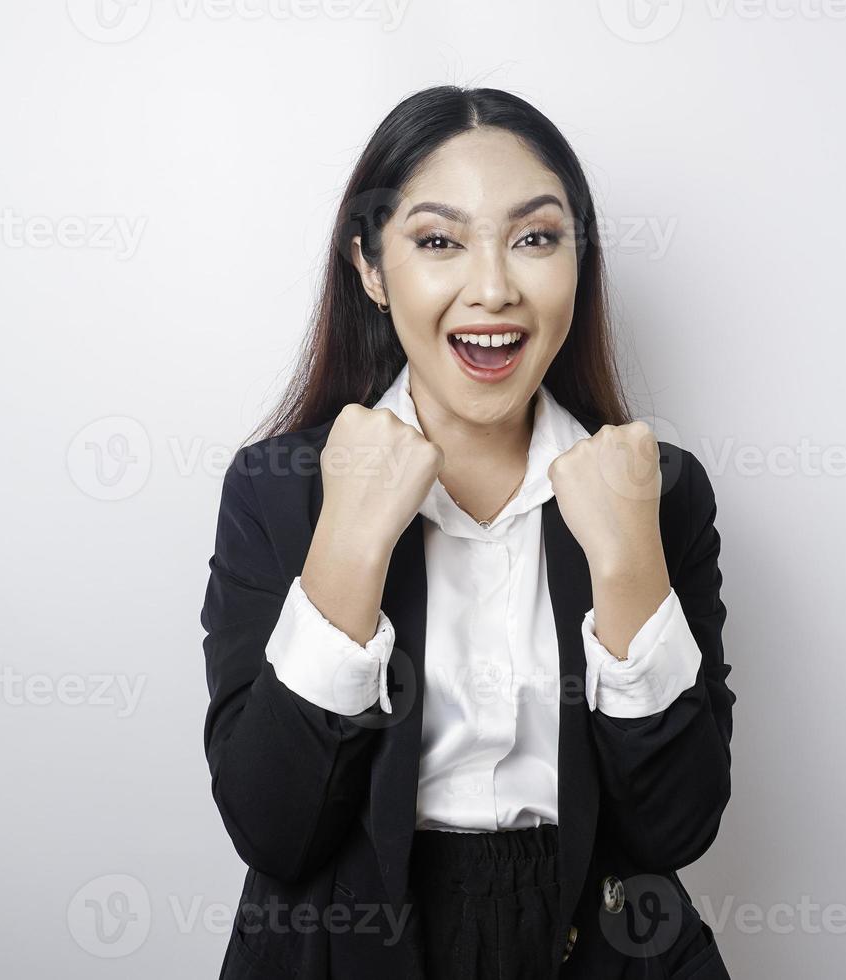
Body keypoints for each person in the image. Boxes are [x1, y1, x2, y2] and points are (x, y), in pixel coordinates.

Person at [201, 84, 735, 979]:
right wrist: (350, 547)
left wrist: (629, 563)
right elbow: (273, 831)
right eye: (439, 241)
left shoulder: (660, 493)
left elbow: (676, 827)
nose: (493, 289)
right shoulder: (277, 490)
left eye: (535, 238)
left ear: (579, 261)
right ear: (371, 268)